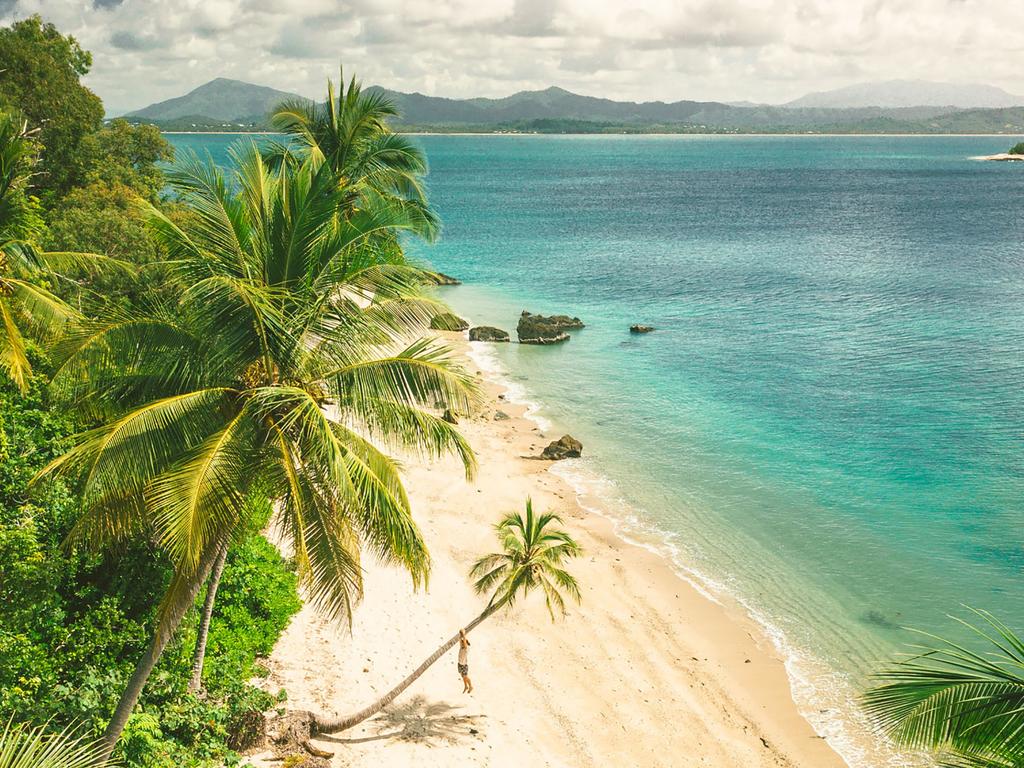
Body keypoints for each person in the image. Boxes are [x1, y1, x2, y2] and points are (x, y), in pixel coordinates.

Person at [457, 628, 473, 693]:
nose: (462, 643)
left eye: (464, 642)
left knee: (465, 676)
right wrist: (460, 635)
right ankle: (466, 686)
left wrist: (463, 634)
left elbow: (463, 641)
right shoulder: (462, 647)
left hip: (464, 665)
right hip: (459, 664)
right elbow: (460, 640)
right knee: (462, 676)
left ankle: (471, 686)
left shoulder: (466, 649)